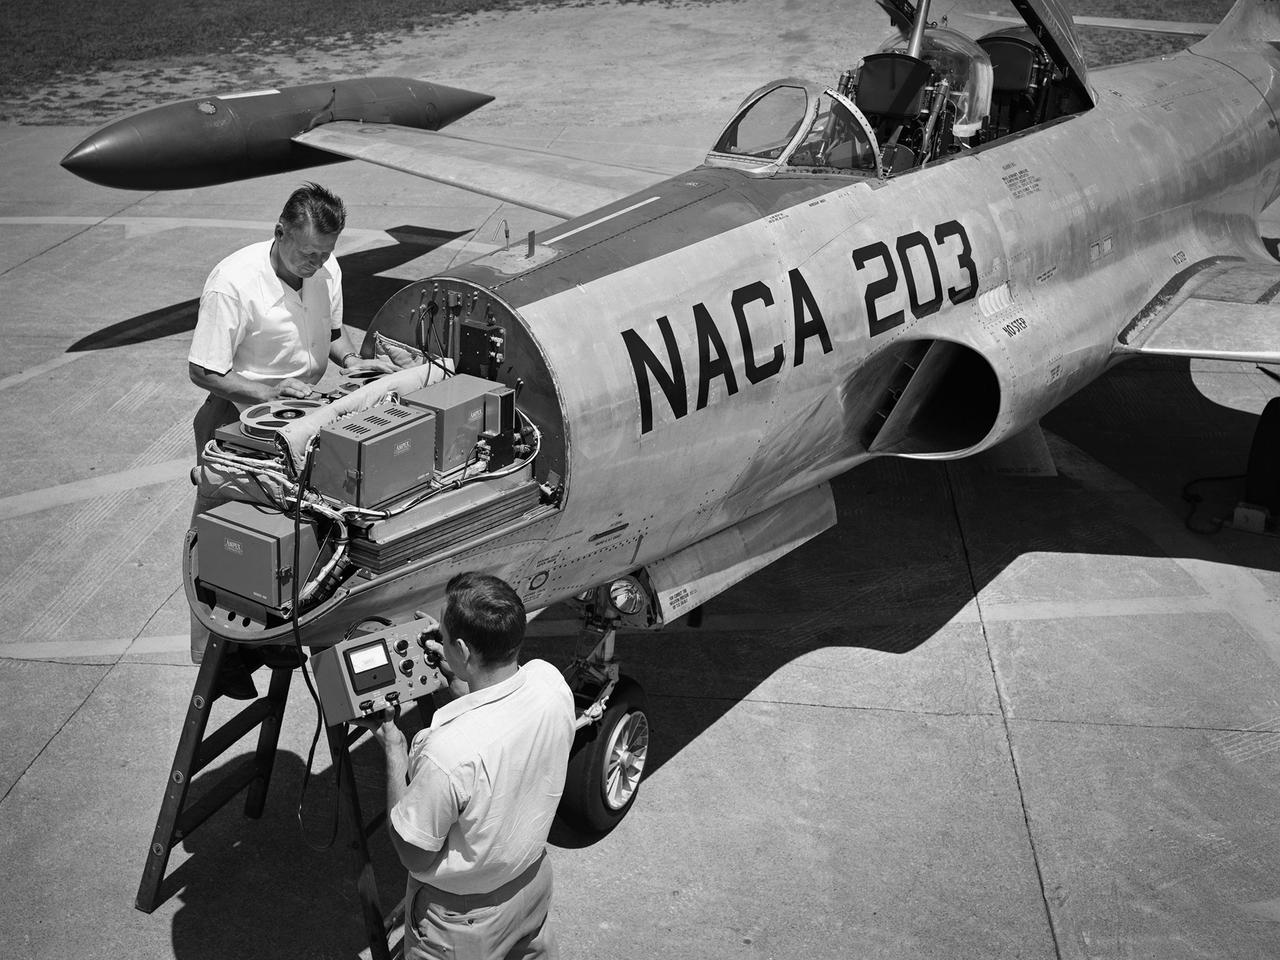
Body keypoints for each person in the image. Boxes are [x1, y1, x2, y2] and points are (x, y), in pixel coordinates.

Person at [186, 181, 394, 698]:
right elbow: (204, 370)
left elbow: (333, 335)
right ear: (279, 232)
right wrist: (268, 391)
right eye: (307, 254)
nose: (316, 264)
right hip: (240, 425)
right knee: (227, 540)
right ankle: (218, 655)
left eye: (325, 254)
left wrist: (354, 362)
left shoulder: (326, 269)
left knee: (299, 532)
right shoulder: (232, 283)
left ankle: (275, 632)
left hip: (300, 420)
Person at [362, 572, 576, 960]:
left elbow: (413, 854)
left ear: (462, 649)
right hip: (531, 886)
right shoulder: (551, 684)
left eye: (444, 636)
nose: (440, 641)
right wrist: (462, 677)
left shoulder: (446, 754)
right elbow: (505, 710)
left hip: (464, 924)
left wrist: (395, 748)